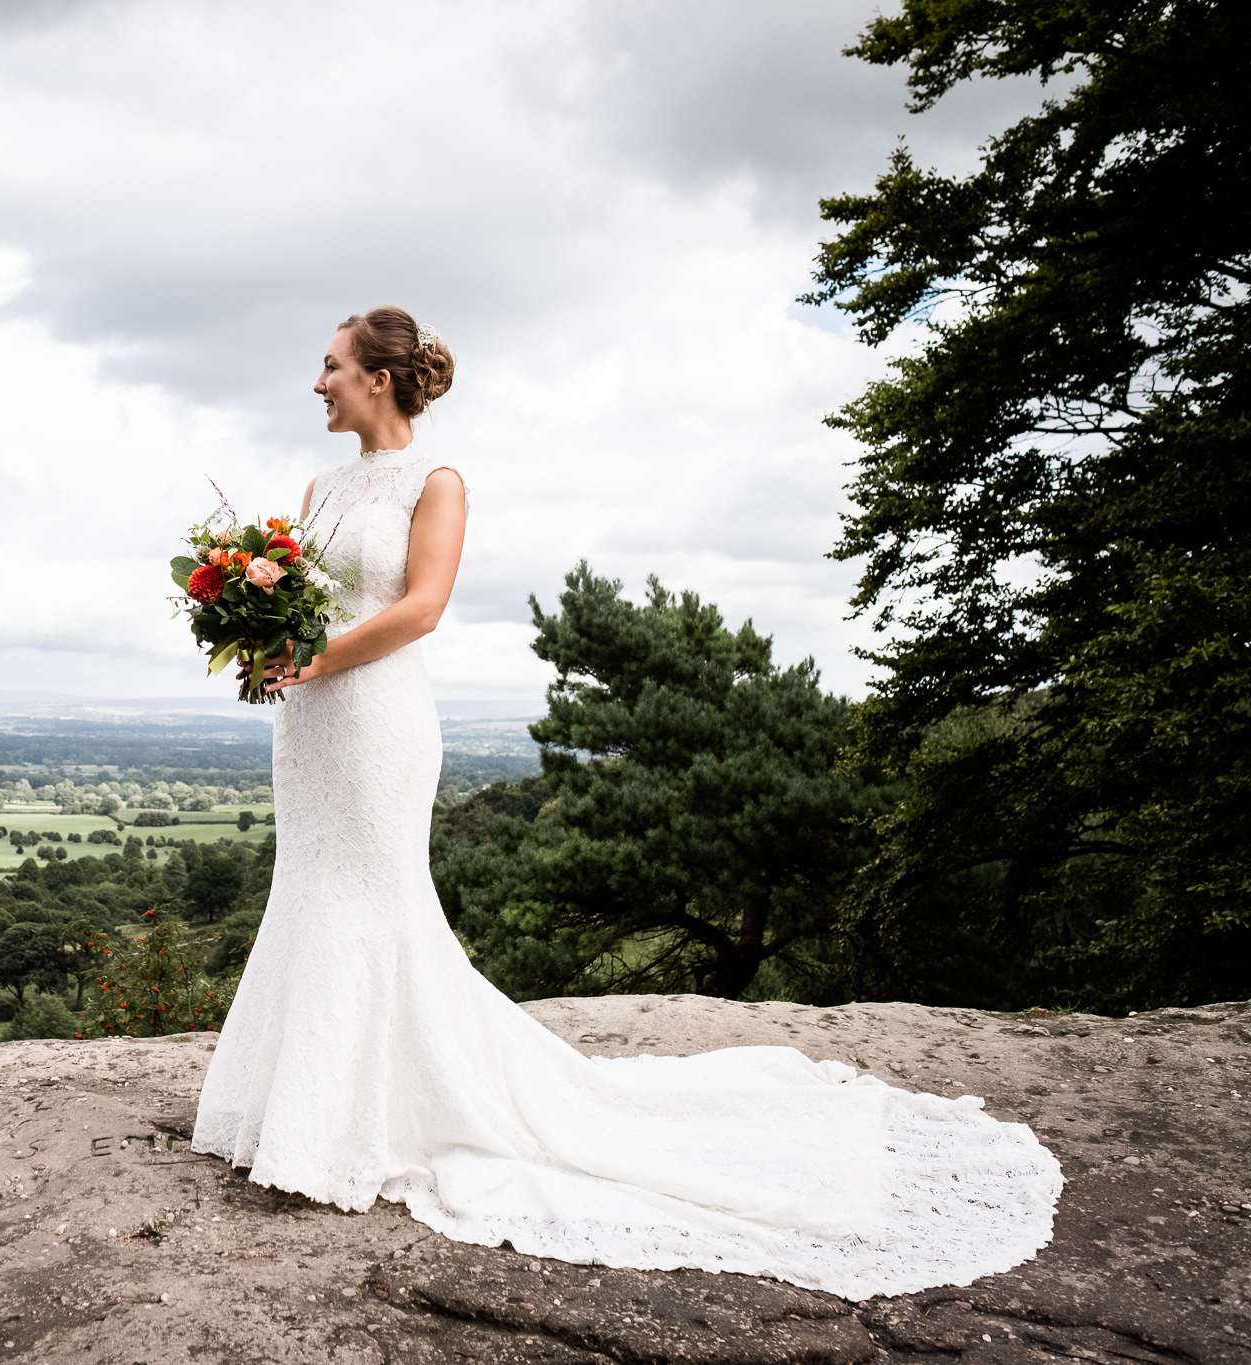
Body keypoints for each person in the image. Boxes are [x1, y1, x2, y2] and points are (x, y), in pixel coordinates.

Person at [189, 306, 1063, 1299]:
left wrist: (310, 658)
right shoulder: (320, 485)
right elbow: (301, 595)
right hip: (306, 727)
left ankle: (361, 1118)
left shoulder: (436, 484)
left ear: (377, 379)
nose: (317, 383)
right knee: (308, 886)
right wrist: (259, 634)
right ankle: (300, 1109)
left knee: (371, 898)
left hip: (375, 718)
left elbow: (421, 607)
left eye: (330, 365)